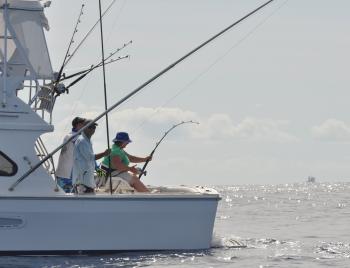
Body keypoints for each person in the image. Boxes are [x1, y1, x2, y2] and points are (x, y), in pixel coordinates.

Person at [72, 120, 110, 194]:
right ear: (84, 128)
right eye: (90, 127)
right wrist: (104, 153)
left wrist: (102, 173)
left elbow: (92, 162)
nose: (92, 129)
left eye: (94, 127)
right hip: (82, 183)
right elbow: (90, 157)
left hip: (88, 182)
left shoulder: (88, 141)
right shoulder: (82, 141)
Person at [55, 116, 85, 193]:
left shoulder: (69, 136)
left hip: (63, 174)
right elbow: (89, 157)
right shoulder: (75, 137)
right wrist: (101, 173)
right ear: (78, 125)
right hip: (67, 176)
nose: (86, 127)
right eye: (84, 125)